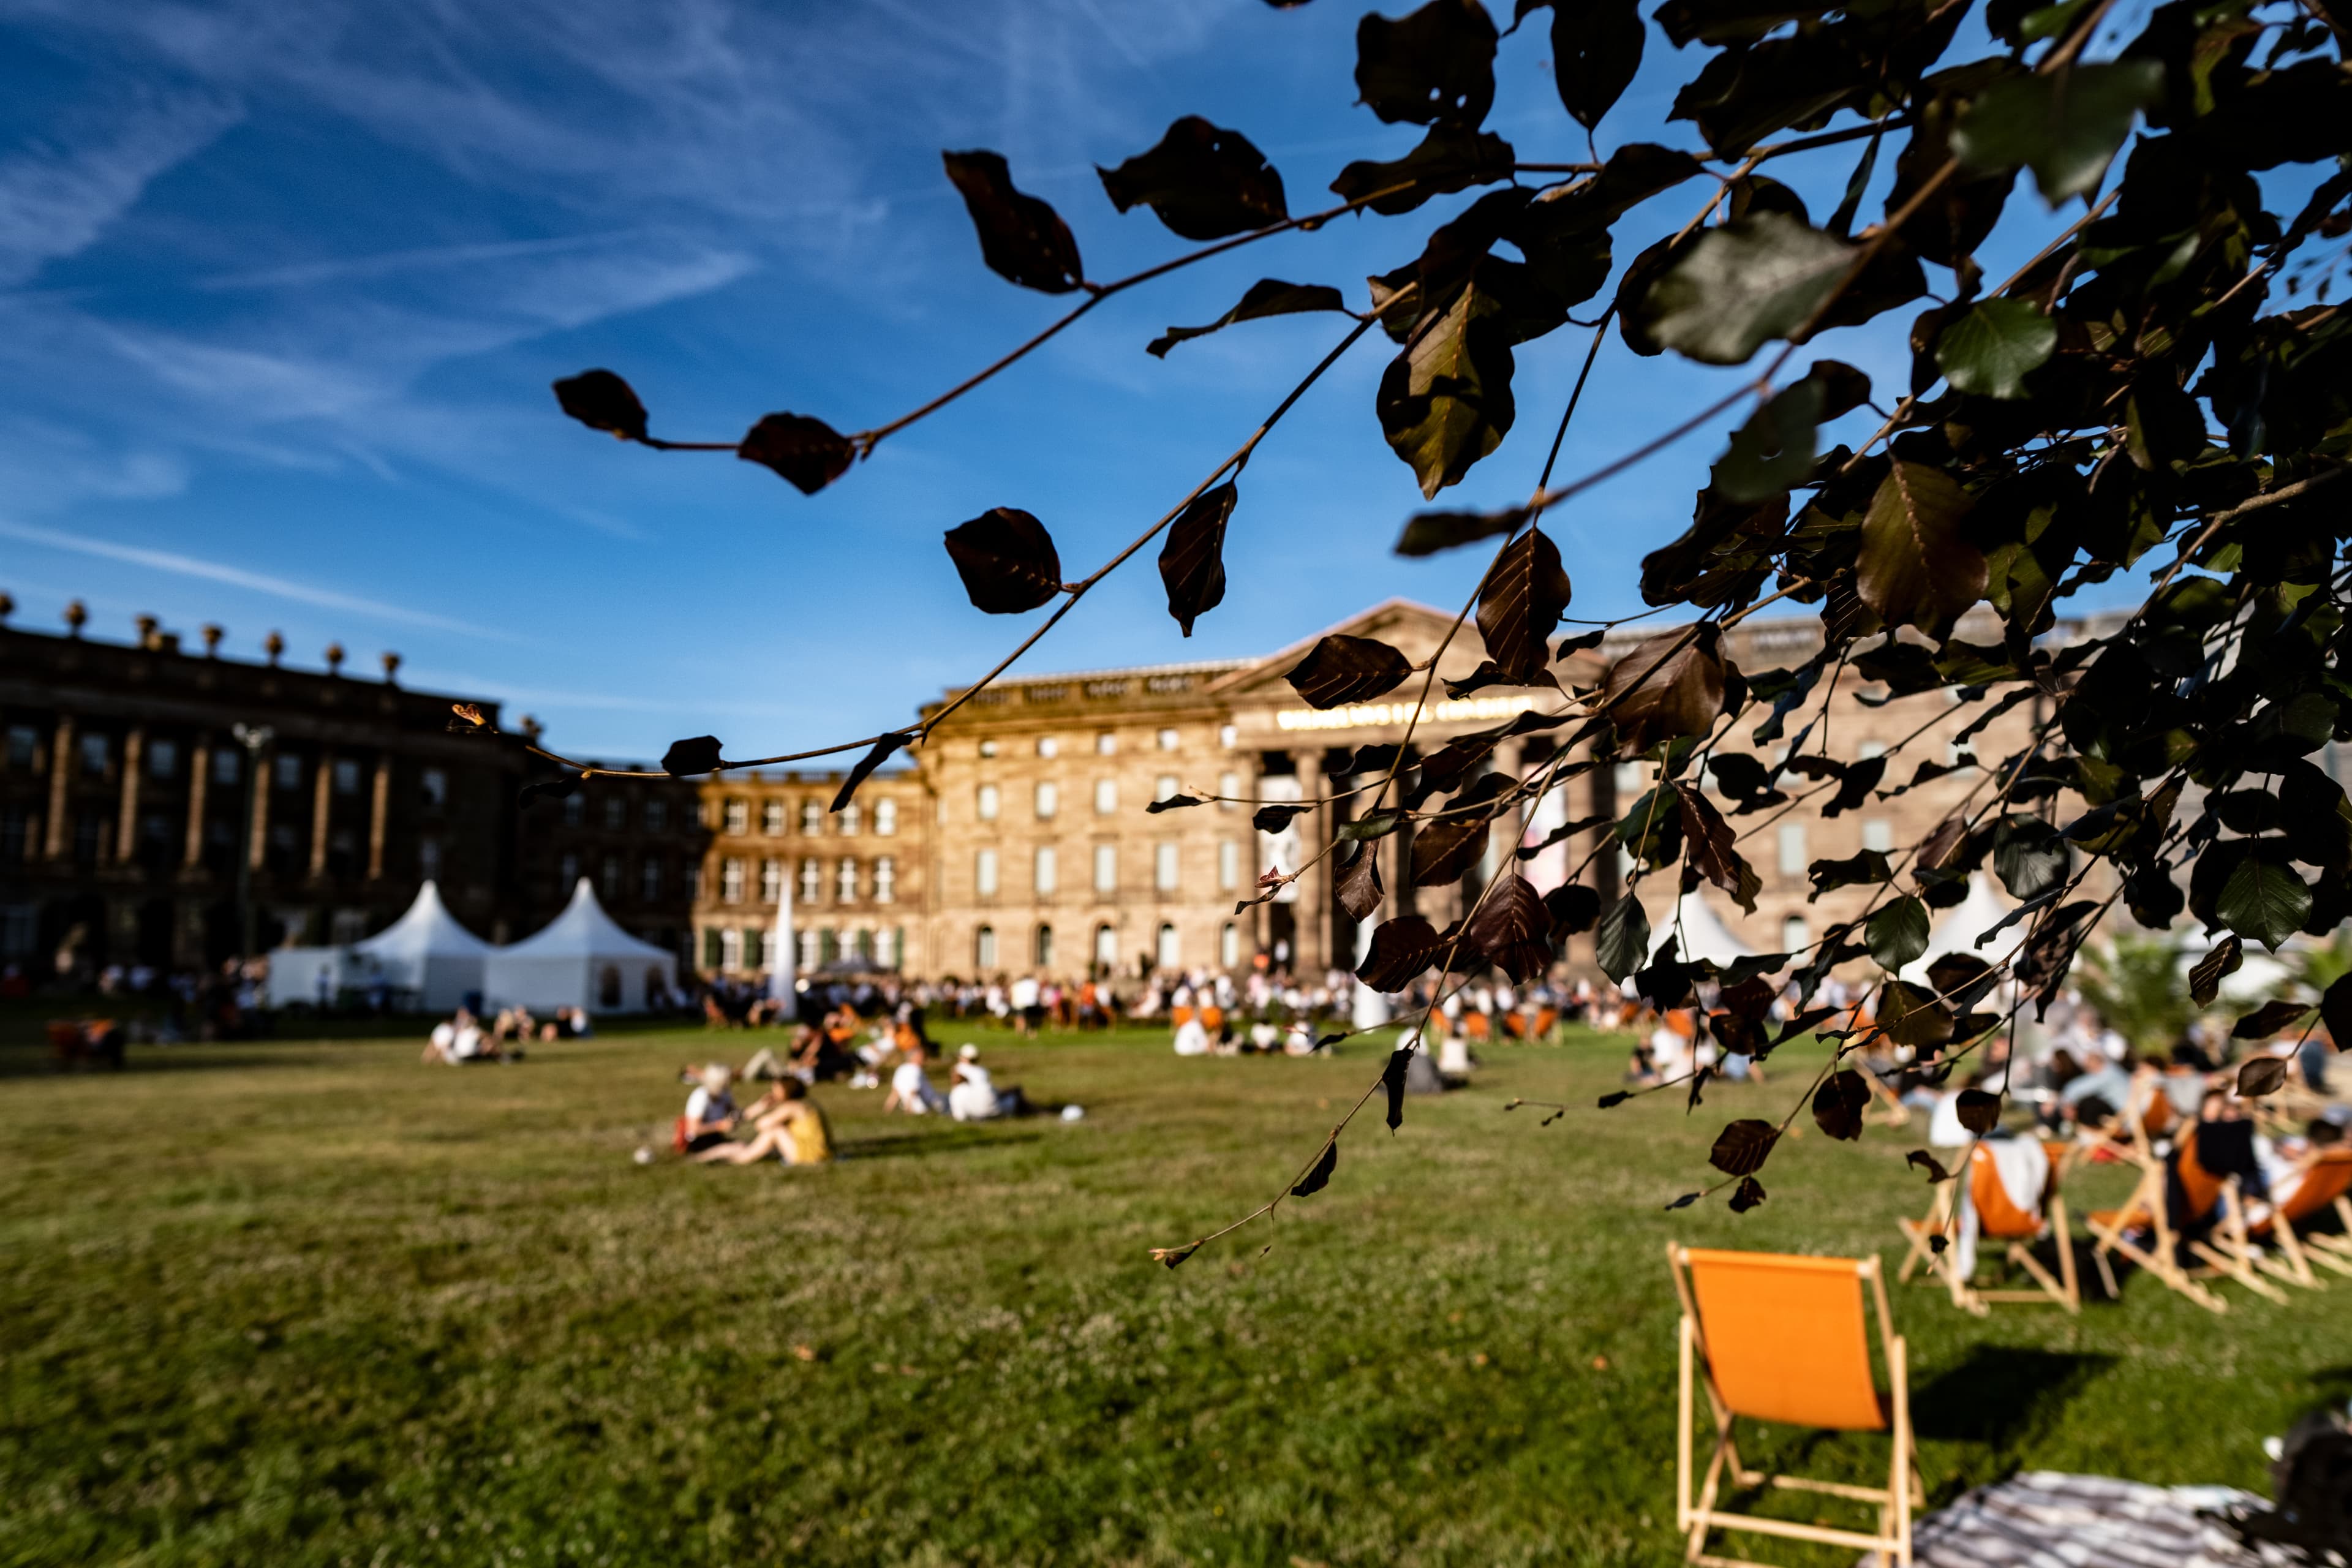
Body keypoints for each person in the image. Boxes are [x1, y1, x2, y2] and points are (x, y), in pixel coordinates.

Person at [696, 1077, 833, 1165]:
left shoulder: (792, 1107)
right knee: (774, 1130)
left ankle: (741, 1158)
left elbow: (761, 1125)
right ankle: (735, 1155)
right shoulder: (807, 1103)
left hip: (810, 1155)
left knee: (775, 1131)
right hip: (820, 1152)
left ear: (786, 1091)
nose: (773, 1092)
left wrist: (767, 1107)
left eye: (776, 1089)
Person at [949, 1043, 1029, 1121]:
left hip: (973, 1111)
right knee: (1014, 1096)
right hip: (994, 1109)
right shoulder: (983, 1071)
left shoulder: (958, 1070)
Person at [678, 1065, 739, 1153]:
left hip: (714, 1138)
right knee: (738, 1148)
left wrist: (758, 1108)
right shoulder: (701, 1096)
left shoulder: (724, 1094)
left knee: (740, 1146)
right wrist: (720, 1126)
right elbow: (693, 1130)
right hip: (697, 1143)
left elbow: (736, 1114)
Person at [883, 1041, 948, 1115]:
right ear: (915, 1057)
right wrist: (909, 1110)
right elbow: (913, 1092)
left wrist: (887, 1110)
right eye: (922, 1056)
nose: (925, 1058)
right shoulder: (915, 1070)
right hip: (927, 1105)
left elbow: (895, 1092)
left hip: (913, 1104)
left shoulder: (901, 1068)